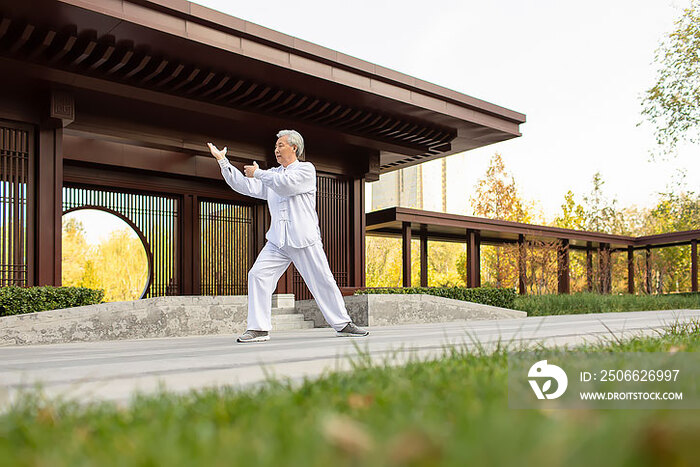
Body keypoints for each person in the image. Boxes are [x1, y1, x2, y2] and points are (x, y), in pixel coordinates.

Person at [207, 130, 369, 343]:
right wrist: (223, 162)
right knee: (257, 275)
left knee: (323, 280)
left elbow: (286, 186)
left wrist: (259, 173)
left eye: (281, 145)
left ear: (294, 147)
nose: (276, 150)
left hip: (304, 239)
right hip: (277, 241)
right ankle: (258, 329)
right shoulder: (272, 175)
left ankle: (343, 324)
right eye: (275, 147)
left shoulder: (306, 170)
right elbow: (245, 185)